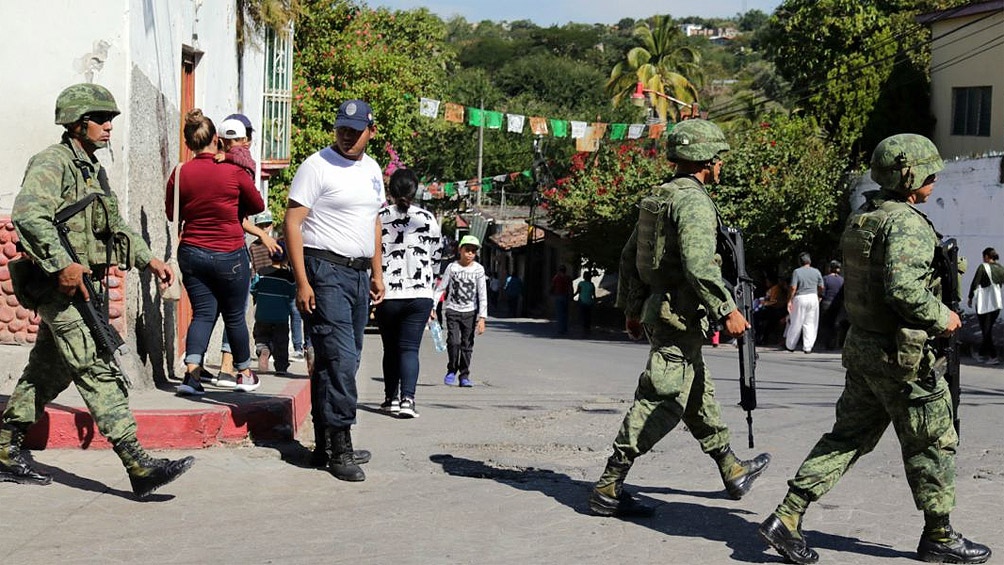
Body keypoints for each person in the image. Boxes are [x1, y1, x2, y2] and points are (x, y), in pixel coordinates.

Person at [758, 134, 991, 565]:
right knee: (933, 441)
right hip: (902, 358)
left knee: (847, 438)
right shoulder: (904, 223)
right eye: (929, 171)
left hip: (864, 349)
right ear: (909, 175)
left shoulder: (863, 217)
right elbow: (904, 290)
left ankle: (787, 516)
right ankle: (940, 536)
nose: (935, 178)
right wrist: (945, 318)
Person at [0, 83, 193, 497]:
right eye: (101, 119)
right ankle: (137, 463)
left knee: (47, 371)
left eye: (111, 119)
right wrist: (62, 264)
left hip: (82, 285)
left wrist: (149, 260)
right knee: (95, 366)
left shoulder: (92, 169)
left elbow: (117, 228)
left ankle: (4, 447)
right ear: (76, 122)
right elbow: (29, 215)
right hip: (57, 286)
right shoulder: (53, 162)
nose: (109, 126)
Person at [588, 119, 770, 518]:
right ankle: (608, 487)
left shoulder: (660, 197)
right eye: (718, 158)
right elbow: (699, 265)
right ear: (705, 160)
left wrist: (633, 309)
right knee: (662, 399)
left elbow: (629, 256)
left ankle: (731, 468)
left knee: (697, 394)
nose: (721, 165)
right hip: (680, 316)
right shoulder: (694, 201)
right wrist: (729, 310)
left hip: (663, 310)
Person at [284, 99, 383, 482]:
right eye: (342, 128)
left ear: (370, 133)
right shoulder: (316, 165)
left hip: (358, 275)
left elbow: (373, 222)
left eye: (355, 131)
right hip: (325, 271)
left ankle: (325, 440)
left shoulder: (373, 169)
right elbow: (293, 223)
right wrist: (303, 281)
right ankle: (340, 446)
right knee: (340, 359)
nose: (347, 136)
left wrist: (377, 272)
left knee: (343, 359)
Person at [167, 109, 264, 396]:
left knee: (203, 314)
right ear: (217, 140)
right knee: (234, 316)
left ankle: (191, 376)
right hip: (229, 253)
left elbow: (172, 213)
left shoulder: (180, 172)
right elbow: (258, 206)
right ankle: (244, 373)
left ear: (190, 143)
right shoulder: (233, 171)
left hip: (192, 252)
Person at [375, 168, 443, 418]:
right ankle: (408, 401)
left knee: (390, 348)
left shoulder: (378, 217)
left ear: (390, 190)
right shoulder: (427, 218)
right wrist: (431, 284)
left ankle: (390, 399)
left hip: (387, 293)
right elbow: (437, 256)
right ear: (415, 190)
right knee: (409, 348)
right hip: (420, 294)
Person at [434, 235, 488, 388]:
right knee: (453, 342)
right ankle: (451, 369)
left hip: (470, 312)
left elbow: (482, 294)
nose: (470, 253)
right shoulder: (452, 267)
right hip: (452, 310)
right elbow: (441, 288)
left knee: (466, 344)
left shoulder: (478, 269)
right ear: (460, 250)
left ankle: (464, 374)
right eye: (467, 250)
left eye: (473, 251)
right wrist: (432, 307)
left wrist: (482, 318)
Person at [251, 242, 297, 375]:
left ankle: (263, 350)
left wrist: (258, 296)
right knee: (281, 341)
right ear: (286, 258)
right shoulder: (288, 276)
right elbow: (292, 294)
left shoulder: (262, 272)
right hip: (281, 316)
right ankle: (281, 367)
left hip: (262, 314)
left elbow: (253, 288)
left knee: (261, 336)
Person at [967, 247, 1004, 365]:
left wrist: (970, 297)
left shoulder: (983, 267)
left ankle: (993, 356)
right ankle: (981, 353)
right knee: (986, 330)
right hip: (996, 304)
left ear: (987, 257)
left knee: (986, 331)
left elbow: (975, 282)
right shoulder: (1000, 268)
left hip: (985, 304)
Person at [785, 252, 824, 354]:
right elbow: (821, 287)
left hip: (800, 297)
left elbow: (793, 287)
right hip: (813, 297)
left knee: (796, 322)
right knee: (811, 323)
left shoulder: (797, 272)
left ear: (800, 261)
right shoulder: (816, 272)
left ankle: (790, 345)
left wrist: (790, 300)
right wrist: (819, 295)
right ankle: (808, 347)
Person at [754, 273, 788, 346]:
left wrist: (764, 303)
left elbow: (774, 301)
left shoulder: (776, 289)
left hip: (777, 310)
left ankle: (760, 338)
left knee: (758, 317)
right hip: (775, 309)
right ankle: (760, 337)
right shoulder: (773, 289)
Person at [819, 260, 844, 350]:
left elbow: (822, 292)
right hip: (837, 304)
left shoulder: (825, 278)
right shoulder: (842, 280)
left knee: (826, 324)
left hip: (827, 303)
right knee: (834, 323)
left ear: (830, 269)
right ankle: (834, 343)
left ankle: (827, 343)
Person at [550, 265, 573, 334]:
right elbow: (571, 287)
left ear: (559, 271)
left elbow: (552, 286)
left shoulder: (556, 277)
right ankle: (565, 328)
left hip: (558, 296)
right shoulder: (568, 278)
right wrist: (572, 296)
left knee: (559, 313)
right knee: (565, 313)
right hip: (566, 296)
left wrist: (551, 293)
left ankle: (560, 329)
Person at [574, 270, 597, 335]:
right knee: (588, 316)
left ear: (584, 277)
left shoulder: (581, 283)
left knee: (583, 315)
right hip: (589, 302)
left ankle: (584, 328)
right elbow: (594, 295)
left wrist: (572, 296)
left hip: (582, 302)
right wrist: (595, 302)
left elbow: (578, 292)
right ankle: (588, 327)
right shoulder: (592, 285)